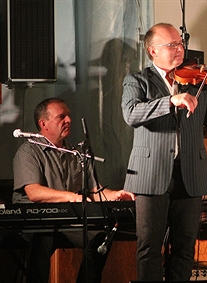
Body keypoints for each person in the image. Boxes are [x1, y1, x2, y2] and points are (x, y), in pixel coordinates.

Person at [121, 23, 207, 281]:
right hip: (151, 175)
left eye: (180, 44)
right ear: (152, 51)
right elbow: (131, 113)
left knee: (184, 249)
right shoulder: (137, 80)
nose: (179, 49)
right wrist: (169, 100)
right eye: (171, 45)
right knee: (149, 248)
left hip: (190, 173)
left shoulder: (198, 80)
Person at [12, 97, 136, 283]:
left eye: (69, 116)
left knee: (100, 238)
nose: (69, 120)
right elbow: (34, 193)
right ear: (43, 123)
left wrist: (115, 195)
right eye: (61, 117)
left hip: (68, 221)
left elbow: (94, 191)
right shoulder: (28, 151)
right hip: (37, 222)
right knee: (42, 236)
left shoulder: (76, 153)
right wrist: (72, 197)